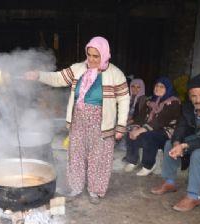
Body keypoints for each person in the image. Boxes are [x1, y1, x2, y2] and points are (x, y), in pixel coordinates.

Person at [25, 36, 130, 204]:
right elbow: (58, 78)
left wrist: (121, 126)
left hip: (102, 121)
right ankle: (76, 187)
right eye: (89, 55)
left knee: (99, 156)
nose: (92, 59)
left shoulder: (115, 74)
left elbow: (124, 100)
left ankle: (95, 191)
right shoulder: (79, 69)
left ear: (104, 54)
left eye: (96, 56)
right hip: (79, 118)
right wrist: (39, 75)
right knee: (76, 154)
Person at [151, 74, 200, 212]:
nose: (197, 100)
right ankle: (170, 182)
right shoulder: (187, 107)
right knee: (169, 144)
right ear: (190, 96)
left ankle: (193, 196)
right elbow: (181, 127)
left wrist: (185, 146)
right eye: (193, 96)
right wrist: (177, 143)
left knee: (198, 154)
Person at [123, 77, 181, 176]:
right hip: (151, 128)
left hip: (166, 131)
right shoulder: (150, 101)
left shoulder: (173, 102)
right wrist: (136, 127)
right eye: (157, 86)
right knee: (130, 130)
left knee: (148, 135)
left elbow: (159, 121)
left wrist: (141, 130)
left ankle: (149, 164)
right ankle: (132, 160)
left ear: (168, 88)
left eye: (162, 87)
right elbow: (140, 117)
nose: (158, 88)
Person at [116, 78, 146, 151]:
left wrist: (129, 121)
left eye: (138, 87)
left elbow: (141, 117)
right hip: (125, 121)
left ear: (142, 88)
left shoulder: (143, 100)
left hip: (136, 123)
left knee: (122, 146)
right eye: (133, 86)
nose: (135, 89)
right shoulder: (127, 97)